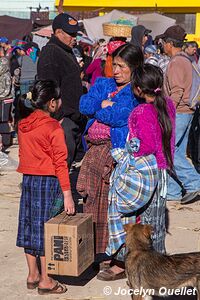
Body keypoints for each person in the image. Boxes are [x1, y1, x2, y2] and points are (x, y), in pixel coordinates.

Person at [97, 64, 176, 281]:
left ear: (138, 89)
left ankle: (134, 266)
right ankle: (158, 265)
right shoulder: (168, 105)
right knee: (156, 222)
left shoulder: (140, 112)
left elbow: (144, 147)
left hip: (143, 173)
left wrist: (125, 153)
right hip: (162, 172)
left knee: (136, 220)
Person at [77, 43, 144, 265]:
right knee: (91, 201)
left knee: (110, 205)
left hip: (115, 153)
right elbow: (83, 104)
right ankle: (95, 251)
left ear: (134, 68)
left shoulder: (135, 91)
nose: (116, 71)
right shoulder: (103, 83)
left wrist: (102, 107)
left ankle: (114, 255)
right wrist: (104, 103)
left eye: (121, 66)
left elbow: (120, 116)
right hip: (94, 151)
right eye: (114, 65)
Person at [16, 80, 74, 295]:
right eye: (58, 100)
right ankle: (46, 280)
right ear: (52, 103)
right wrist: (67, 195)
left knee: (28, 227)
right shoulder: (52, 128)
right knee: (44, 231)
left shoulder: (23, 123)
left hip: (29, 181)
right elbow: (60, 164)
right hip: (47, 182)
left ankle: (32, 275)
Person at [37, 13, 86, 168]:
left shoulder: (65, 50)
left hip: (70, 118)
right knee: (58, 166)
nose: (75, 38)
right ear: (58, 33)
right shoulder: (51, 52)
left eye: (75, 34)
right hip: (61, 120)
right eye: (71, 34)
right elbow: (47, 89)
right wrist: (57, 118)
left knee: (64, 165)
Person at [159, 25, 200, 203]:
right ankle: (174, 191)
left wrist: (167, 114)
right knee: (177, 151)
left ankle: (194, 183)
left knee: (168, 150)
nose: (161, 45)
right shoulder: (186, 59)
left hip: (179, 112)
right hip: (187, 111)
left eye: (163, 42)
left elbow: (176, 92)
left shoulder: (176, 62)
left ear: (169, 44)